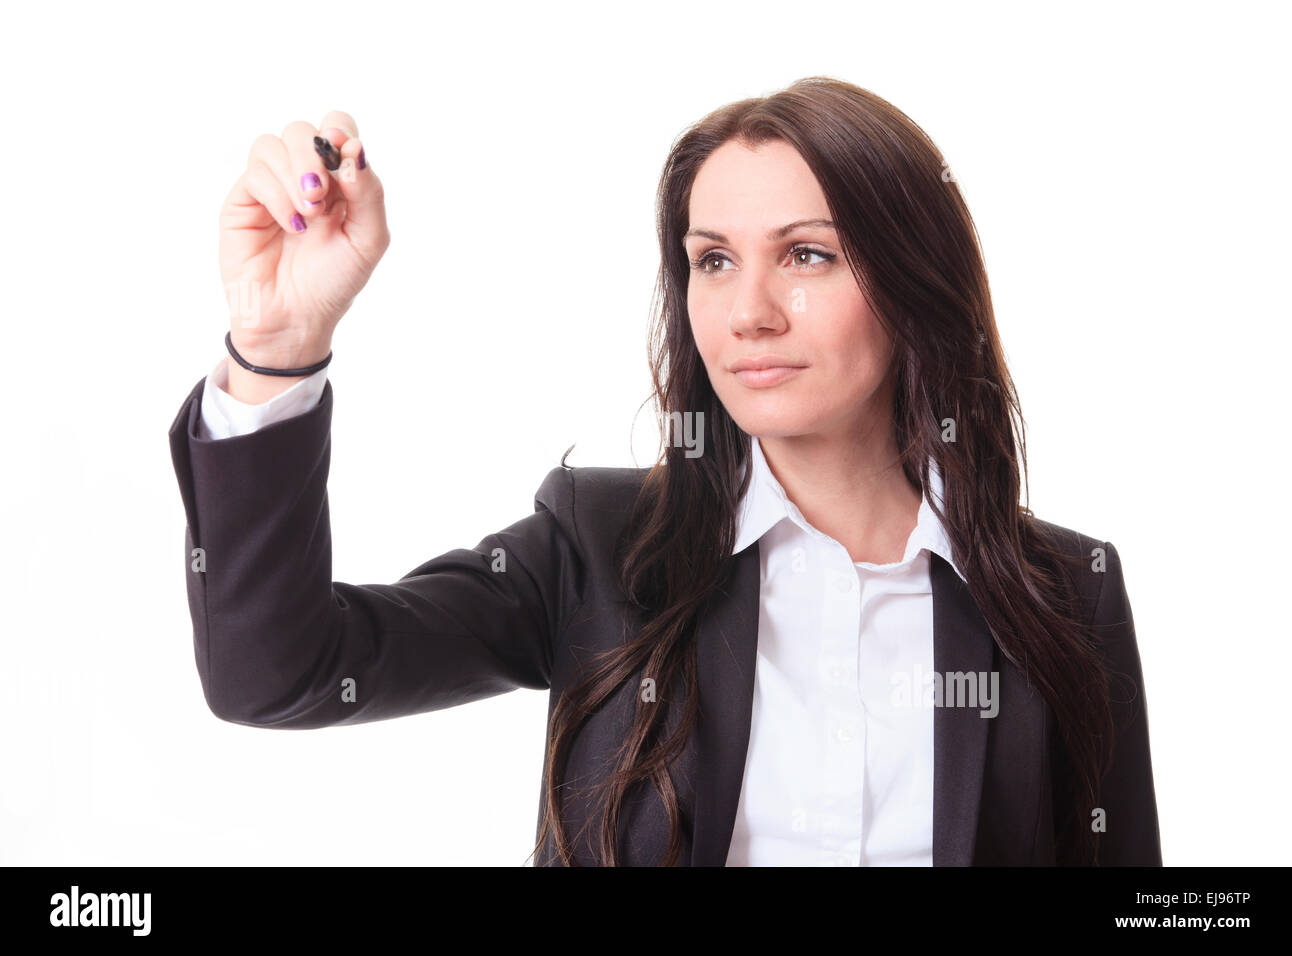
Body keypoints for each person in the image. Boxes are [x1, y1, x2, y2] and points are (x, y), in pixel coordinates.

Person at [168, 76, 1161, 867]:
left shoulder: (1063, 594)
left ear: (915, 282)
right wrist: (277, 344)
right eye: (713, 260)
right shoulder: (596, 553)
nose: (748, 312)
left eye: (807, 255)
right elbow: (281, 674)